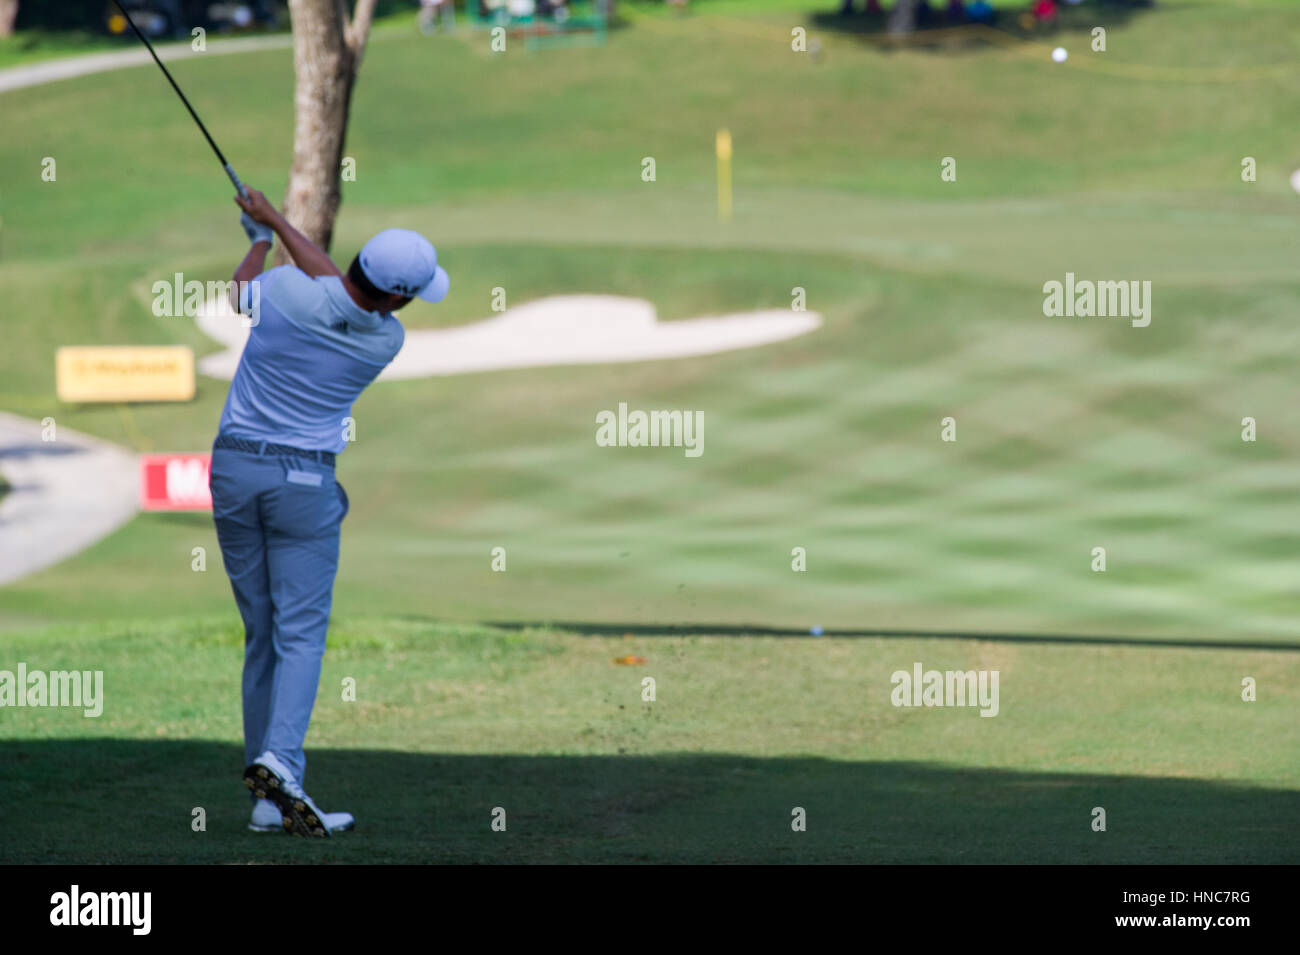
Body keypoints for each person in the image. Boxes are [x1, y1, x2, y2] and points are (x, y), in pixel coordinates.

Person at [211, 187, 450, 837]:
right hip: (303, 484)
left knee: (262, 632)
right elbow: (346, 294)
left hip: (233, 468)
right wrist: (276, 222)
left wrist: (260, 235)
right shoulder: (386, 340)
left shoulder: (286, 290)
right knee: (301, 634)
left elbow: (243, 294)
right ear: (398, 298)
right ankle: (281, 765)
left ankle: (268, 800)